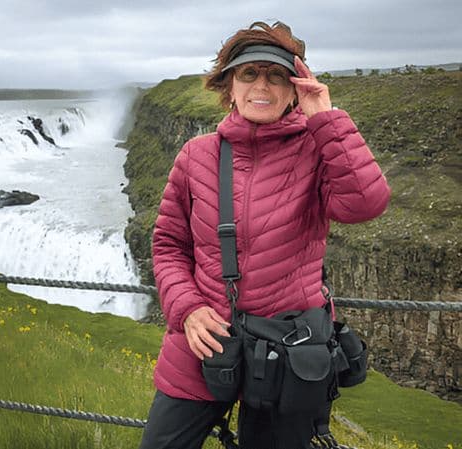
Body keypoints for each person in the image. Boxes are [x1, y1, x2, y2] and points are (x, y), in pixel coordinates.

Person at [139, 21, 391, 449]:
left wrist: (325, 119)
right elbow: (168, 246)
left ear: (295, 89)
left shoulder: (318, 150)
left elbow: (366, 204)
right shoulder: (195, 155)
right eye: (248, 74)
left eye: (277, 76)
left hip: (287, 353)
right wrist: (187, 309)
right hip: (205, 342)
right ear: (229, 87)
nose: (262, 86)